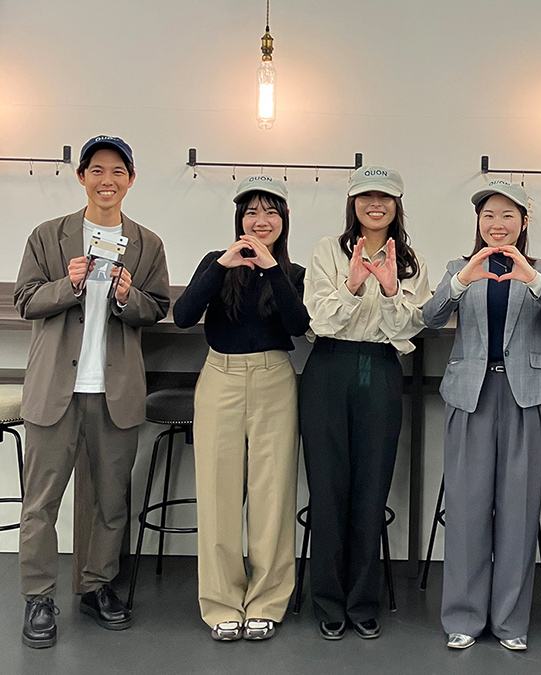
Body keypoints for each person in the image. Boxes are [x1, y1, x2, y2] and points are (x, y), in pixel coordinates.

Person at [14, 135, 170, 648]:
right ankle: (39, 597)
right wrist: (68, 285)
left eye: (118, 171)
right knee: (41, 503)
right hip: (55, 389)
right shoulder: (48, 236)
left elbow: (156, 308)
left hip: (114, 391)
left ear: (131, 180)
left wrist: (127, 296)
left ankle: (96, 585)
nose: (108, 180)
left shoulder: (147, 243)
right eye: (97, 170)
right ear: (81, 177)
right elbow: (25, 301)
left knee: (110, 500)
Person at [423, 180, 541, 651]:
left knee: (519, 510)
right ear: (478, 221)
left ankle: (511, 622)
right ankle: (464, 618)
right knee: (467, 510)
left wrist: (531, 279)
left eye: (508, 215)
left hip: (525, 395)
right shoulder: (458, 268)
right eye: (489, 215)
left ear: (523, 222)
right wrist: (461, 281)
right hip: (470, 394)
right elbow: (429, 318)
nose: (497, 224)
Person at [173, 175, 309, 641]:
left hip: (274, 379)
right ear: (239, 219)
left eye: (270, 212)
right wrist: (222, 266)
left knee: (273, 494)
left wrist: (271, 269)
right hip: (220, 376)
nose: (260, 220)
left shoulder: (292, 272)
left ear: (284, 220)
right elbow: (183, 316)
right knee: (218, 493)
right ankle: (221, 602)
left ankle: (268, 601)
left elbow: (298, 326)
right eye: (251, 212)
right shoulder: (217, 261)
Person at [301, 165, 430, 640]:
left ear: (397, 206)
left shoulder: (411, 261)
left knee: (372, 490)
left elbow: (408, 328)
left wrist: (392, 289)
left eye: (385, 198)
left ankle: (362, 601)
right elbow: (320, 320)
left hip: (379, 369)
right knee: (327, 489)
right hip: (328, 367)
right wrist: (353, 284)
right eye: (366, 197)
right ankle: (328, 600)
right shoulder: (327, 251)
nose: (375, 205)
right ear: (352, 203)